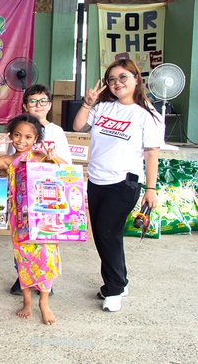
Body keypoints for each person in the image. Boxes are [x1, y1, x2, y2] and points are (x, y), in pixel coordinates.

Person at [73, 59, 164, 312]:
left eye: (123, 77)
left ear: (136, 79)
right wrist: (88, 103)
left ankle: (113, 289)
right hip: (97, 180)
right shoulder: (103, 107)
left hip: (124, 182)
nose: (117, 83)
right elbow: (78, 126)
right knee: (106, 235)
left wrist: (151, 190)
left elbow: (151, 155)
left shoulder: (148, 116)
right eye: (111, 79)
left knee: (107, 233)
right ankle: (120, 280)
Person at [0, 114, 65, 325]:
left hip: (45, 218)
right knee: (23, 259)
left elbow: (67, 173)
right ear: (11, 136)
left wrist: (53, 156)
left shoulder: (42, 158)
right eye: (17, 135)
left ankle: (44, 303)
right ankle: (27, 302)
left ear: (36, 140)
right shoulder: (8, 160)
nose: (21, 141)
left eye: (28, 137)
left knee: (46, 259)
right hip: (20, 219)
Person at [8, 84, 72, 295]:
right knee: (21, 239)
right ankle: (23, 277)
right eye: (33, 101)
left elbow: (66, 168)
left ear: (49, 105)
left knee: (46, 242)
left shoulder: (57, 132)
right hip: (21, 199)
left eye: (43, 101)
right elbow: (11, 162)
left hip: (47, 200)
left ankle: (45, 282)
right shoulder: (19, 129)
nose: (38, 105)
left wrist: (50, 155)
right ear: (25, 105)